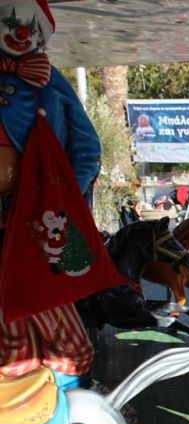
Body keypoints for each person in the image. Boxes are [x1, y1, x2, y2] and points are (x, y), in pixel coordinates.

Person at [0, 0, 103, 383]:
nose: (19, 32)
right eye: (8, 23)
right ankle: (25, 399)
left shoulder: (51, 82)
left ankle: (71, 393)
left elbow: (87, 147)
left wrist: (63, 200)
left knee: (50, 308)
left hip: (38, 219)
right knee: (10, 322)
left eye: (27, 24)